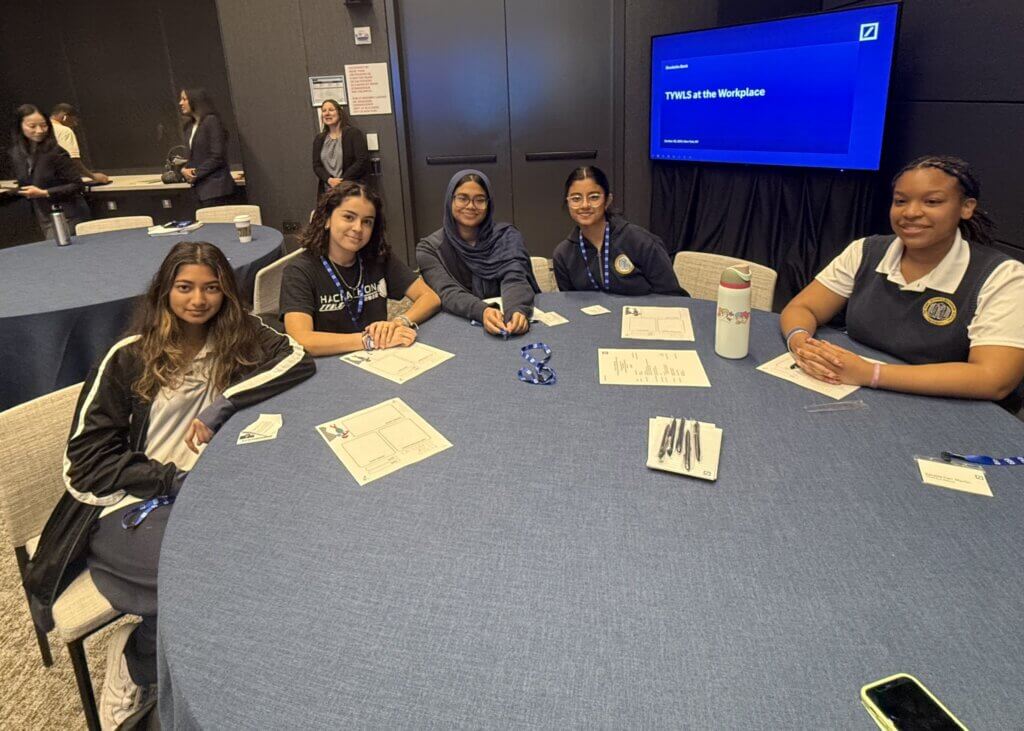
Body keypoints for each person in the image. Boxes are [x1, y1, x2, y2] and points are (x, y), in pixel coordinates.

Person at [22, 242, 315, 728]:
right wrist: (170, 479)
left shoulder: (237, 338)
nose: (198, 300)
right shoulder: (127, 358)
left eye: (211, 288)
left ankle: (207, 661)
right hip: (125, 507)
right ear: (164, 291)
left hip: (199, 494)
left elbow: (296, 357)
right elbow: (85, 466)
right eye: (185, 287)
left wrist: (225, 404)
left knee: (275, 549)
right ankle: (138, 661)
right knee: (210, 578)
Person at [780, 155, 1024, 411]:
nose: (911, 212)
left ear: (966, 207)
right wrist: (802, 344)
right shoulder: (865, 251)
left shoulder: (1003, 277)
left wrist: (872, 373)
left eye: (932, 201)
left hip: (950, 412)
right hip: (860, 397)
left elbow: (993, 379)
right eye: (900, 201)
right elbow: (802, 308)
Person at [281, 182, 441, 355]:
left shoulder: (378, 258)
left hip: (378, 357)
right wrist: (368, 340)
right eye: (349, 217)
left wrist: (399, 322)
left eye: (367, 222)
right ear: (327, 219)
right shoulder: (300, 271)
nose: (358, 228)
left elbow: (430, 297)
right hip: (328, 365)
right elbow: (302, 340)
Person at [416, 169, 538, 336]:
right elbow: (447, 291)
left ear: (489, 204)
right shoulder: (429, 249)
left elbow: (515, 277)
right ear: (450, 200)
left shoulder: (507, 236)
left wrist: (516, 310)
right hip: (458, 326)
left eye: (479, 200)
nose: (471, 206)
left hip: (505, 323)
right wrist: (483, 312)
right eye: (462, 198)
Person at [553, 166, 686, 296]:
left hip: (643, 316)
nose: (585, 205)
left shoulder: (642, 242)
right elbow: (569, 305)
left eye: (594, 197)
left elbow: (673, 297)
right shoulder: (563, 255)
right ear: (568, 203)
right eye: (576, 199)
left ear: (607, 200)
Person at [8, 103, 91, 239]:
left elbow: (77, 185)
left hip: (68, 215)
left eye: (43, 125)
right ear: (20, 127)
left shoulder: (56, 152)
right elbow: (26, 184)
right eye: (32, 126)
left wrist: (45, 193)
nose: (40, 130)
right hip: (43, 215)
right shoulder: (17, 154)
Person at [179, 88, 236, 206]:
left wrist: (195, 173)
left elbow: (218, 156)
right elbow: (194, 157)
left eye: (184, 99)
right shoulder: (189, 126)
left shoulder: (211, 121)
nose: (181, 103)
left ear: (195, 100)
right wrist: (184, 170)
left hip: (216, 189)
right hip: (199, 190)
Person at [311, 98, 370, 198]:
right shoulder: (319, 138)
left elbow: (362, 161)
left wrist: (341, 181)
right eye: (324, 111)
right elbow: (316, 165)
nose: (327, 113)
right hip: (328, 192)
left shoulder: (353, 134)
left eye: (331, 110)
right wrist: (329, 180)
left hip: (350, 189)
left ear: (339, 113)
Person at [49, 103, 110, 183]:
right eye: (73, 120)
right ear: (65, 116)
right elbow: (72, 160)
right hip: (60, 181)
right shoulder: (64, 131)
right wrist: (93, 176)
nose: (75, 124)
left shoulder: (40, 130)